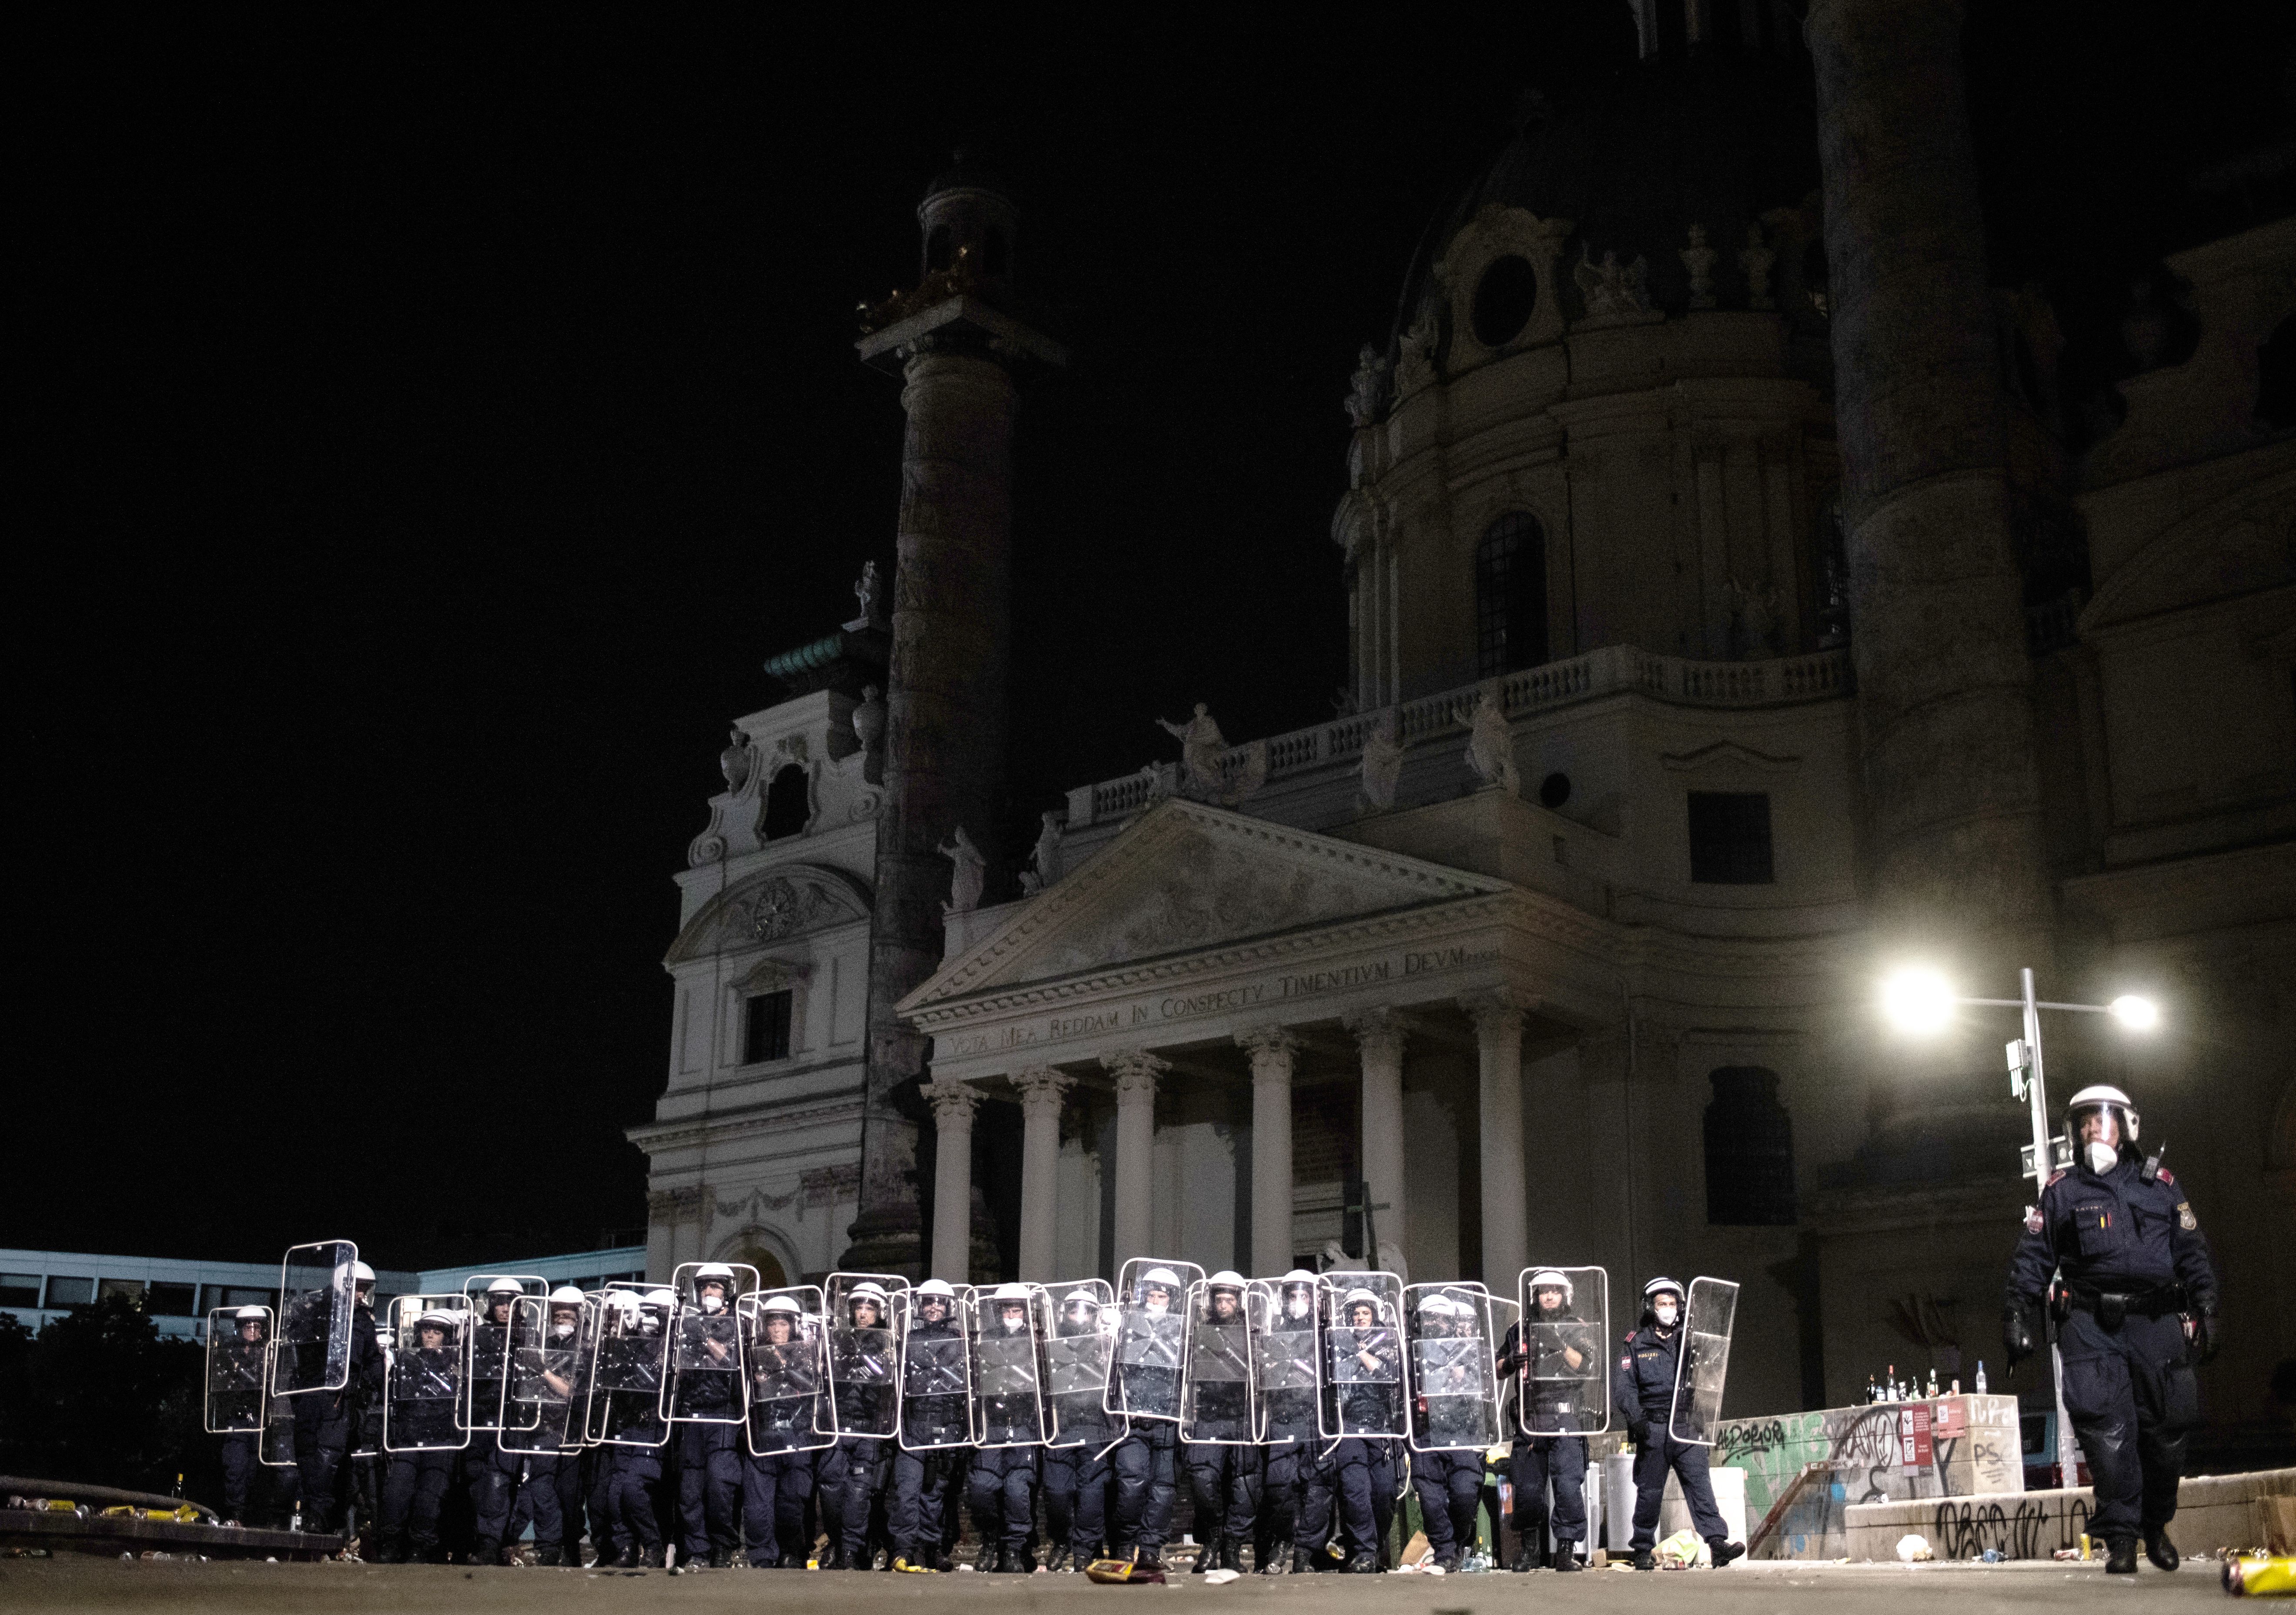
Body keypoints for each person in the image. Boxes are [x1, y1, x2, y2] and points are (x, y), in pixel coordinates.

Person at [2005, 1083, 2219, 1575]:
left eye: (2101, 1120)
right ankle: (2120, 1539)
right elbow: (2032, 1259)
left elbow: (2192, 1251)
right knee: (2107, 1433)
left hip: (2155, 1322)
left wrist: (2206, 1307)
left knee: (2166, 1430)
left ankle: (2155, 1526)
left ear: (2126, 1126)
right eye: (2083, 1123)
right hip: (2089, 1323)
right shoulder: (2061, 1190)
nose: (2091, 1130)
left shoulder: (2159, 1184)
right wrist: (2015, 1315)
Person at [1612, 1278, 1744, 1571]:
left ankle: (1716, 1543)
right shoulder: (1636, 1343)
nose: (1668, 1309)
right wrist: (1636, 1418)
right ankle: (1643, 1549)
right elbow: (1624, 1387)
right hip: (1653, 1426)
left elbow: (1709, 1378)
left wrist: (1703, 1414)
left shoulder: (1691, 1339)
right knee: (1649, 1492)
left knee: (1701, 1487)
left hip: (1686, 1425)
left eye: (1672, 1304)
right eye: (1662, 1304)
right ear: (1651, 1307)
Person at [1501, 1270, 1595, 1571]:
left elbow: (1587, 1368)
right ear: (1535, 1296)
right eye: (1543, 1291)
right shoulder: (1519, 1329)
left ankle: (1566, 1552)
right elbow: (1499, 1368)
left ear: (1565, 1295)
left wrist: (1559, 1345)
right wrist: (1510, 1361)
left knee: (1568, 1487)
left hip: (1565, 1415)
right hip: (1530, 1420)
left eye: (1555, 1291)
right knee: (1527, 1489)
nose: (1549, 1296)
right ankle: (1529, 1552)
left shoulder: (1577, 1328)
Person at [293, 1259, 384, 1540]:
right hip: (310, 1392)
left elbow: (372, 1362)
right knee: (308, 1453)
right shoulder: (313, 1310)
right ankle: (319, 1515)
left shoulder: (363, 1322)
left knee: (328, 1455)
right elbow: (295, 1343)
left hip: (342, 1398)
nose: (362, 1295)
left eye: (366, 1290)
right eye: (358, 1289)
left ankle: (319, 1517)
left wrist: (379, 1391)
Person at [1108, 1266, 1186, 1569]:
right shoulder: (1127, 1326)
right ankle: (1125, 1544)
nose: (1155, 1302)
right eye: (1151, 1296)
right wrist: (1110, 1332)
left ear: (1172, 1300)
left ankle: (1151, 1547)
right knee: (1130, 1482)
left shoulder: (1182, 1330)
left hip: (1167, 1418)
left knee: (1163, 1489)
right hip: (1133, 1416)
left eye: (1162, 1297)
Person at [507, 1286, 589, 1566]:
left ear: (580, 1317)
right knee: (540, 1486)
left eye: (569, 1316)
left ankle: (570, 1546)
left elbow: (571, 1391)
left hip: (571, 1429)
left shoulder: (587, 1347)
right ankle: (549, 1545)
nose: (563, 1321)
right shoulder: (543, 1342)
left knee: (568, 1494)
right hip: (543, 1426)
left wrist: (543, 1371)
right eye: (559, 1316)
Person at [891, 1278, 969, 1572]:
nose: (933, 1307)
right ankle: (903, 1549)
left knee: (934, 1495)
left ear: (948, 1306)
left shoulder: (960, 1341)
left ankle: (932, 1549)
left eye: (938, 1302)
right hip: (913, 1424)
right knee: (907, 1492)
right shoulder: (907, 1340)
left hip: (946, 1425)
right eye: (928, 1302)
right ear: (919, 1307)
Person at [1183, 1271, 1256, 1574]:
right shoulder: (1198, 1330)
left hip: (1242, 1415)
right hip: (1209, 1414)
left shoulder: (1253, 1331)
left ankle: (1232, 1545)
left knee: (1245, 1482)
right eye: (1219, 1299)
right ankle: (1212, 1536)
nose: (1224, 1305)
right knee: (1203, 1479)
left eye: (1229, 1300)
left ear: (1239, 1302)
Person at [1041, 1287, 1118, 1572]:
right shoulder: (1053, 1342)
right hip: (1062, 1426)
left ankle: (1085, 1549)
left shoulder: (1105, 1344)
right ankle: (1062, 1539)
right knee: (1057, 1491)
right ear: (1065, 1313)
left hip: (1095, 1425)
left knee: (1092, 1493)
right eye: (1074, 1310)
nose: (1079, 1317)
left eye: (1085, 1312)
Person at [968, 1283, 1043, 1573]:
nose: (1012, 1316)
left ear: (1026, 1312)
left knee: (1017, 1490)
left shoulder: (1037, 1341)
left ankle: (1014, 1548)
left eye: (1017, 1310)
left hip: (1024, 1425)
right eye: (1007, 1311)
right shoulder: (986, 1340)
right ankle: (990, 1539)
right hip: (993, 1424)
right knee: (983, 1487)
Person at [375, 1309, 461, 1562]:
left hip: (442, 1438)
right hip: (409, 1436)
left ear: (447, 1337)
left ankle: (420, 1547)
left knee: (430, 1498)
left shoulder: (458, 1365)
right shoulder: (405, 1362)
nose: (430, 1337)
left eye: (437, 1332)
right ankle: (390, 1544)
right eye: (426, 1331)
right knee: (396, 1493)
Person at [1408, 1294, 1486, 1573]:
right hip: (1425, 1433)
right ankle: (1444, 1552)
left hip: (1460, 1431)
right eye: (1431, 1317)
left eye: (1443, 1318)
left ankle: (1457, 1542)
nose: (1437, 1322)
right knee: (1431, 1499)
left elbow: (1483, 1389)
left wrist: (1465, 1378)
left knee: (1465, 1494)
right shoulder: (1410, 1351)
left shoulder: (1468, 1350)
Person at [1326, 1287, 1401, 1574]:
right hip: (1348, 1428)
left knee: (1383, 1492)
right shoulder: (1336, 1345)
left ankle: (1375, 1545)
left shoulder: (1388, 1343)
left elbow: (1389, 1377)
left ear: (1374, 1315)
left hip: (1381, 1427)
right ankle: (1364, 1551)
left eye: (1364, 1313)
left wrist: (1360, 1352)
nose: (1359, 1318)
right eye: (1355, 1313)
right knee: (1356, 1490)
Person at [673, 1264, 744, 1568]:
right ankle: (697, 1551)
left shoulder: (738, 1325)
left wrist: (707, 1341)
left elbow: (736, 1364)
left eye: (715, 1287)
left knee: (719, 1484)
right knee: (689, 1490)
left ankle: (723, 1546)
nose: (708, 1293)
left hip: (724, 1414)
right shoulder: (688, 1327)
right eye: (704, 1287)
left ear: (726, 1291)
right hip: (693, 1414)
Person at [823, 1281, 896, 1569]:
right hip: (839, 1424)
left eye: (869, 1308)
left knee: (859, 1492)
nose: (863, 1314)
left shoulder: (889, 1342)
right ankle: (837, 1541)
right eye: (858, 1308)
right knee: (830, 1489)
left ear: (880, 1311)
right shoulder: (839, 1339)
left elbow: (891, 1382)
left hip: (870, 1426)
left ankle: (851, 1551)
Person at [742, 1295, 818, 1569]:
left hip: (796, 1436)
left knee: (792, 1500)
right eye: (771, 1324)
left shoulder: (806, 1354)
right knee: (757, 1505)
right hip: (764, 1435)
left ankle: (792, 1553)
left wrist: (782, 1366)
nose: (776, 1330)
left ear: (793, 1327)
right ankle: (762, 1556)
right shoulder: (754, 1355)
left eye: (782, 1324)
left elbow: (809, 1387)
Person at [1256, 1271, 1322, 1575]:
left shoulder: (1324, 1332)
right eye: (1293, 1297)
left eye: (1304, 1296)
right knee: (1278, 1484)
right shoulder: (1274, 1333)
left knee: (1317, 1487)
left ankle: (1305, 1552)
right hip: (1283, 1416)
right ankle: (1281, 1540)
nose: (1298, 1303)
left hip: (1316, 1419)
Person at [463, 1278, 528, 1565]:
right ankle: (484, 1541)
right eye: (499, 1302)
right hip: (478, 1419)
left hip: (513, 1419)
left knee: (500, 1481)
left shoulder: (528, 1336)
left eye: (510, 1302)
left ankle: (492, 1544)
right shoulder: (476, 1335)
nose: (504, 1308)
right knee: (476, 1479)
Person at [214, 1307, 275, 1528]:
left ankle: (255, 1516)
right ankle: (235, 1514)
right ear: (239, 1329)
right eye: (247, 1326)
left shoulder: (269, 1352)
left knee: (255, 1471)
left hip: (260, 1418)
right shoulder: (228, 1352)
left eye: (257, 1326)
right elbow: (220, 1382)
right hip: (237, 1417)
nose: (252, 1331)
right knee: (236, 1467)